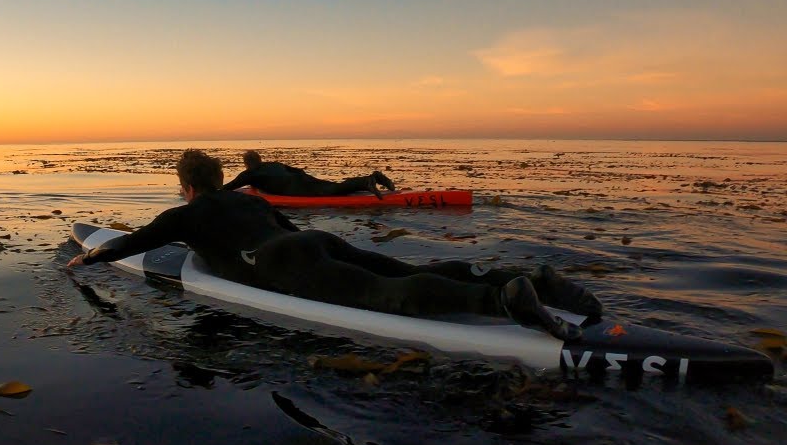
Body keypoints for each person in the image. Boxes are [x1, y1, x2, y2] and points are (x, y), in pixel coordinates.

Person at [68, 149, 601, 340]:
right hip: (314, 241)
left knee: (388, 295)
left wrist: (87, 257)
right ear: (221, 174)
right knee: (395, 269)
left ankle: (501, 302)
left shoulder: (185, 214)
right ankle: (528, 280)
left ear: (186, 185)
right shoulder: (251, 201)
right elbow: (289, 229)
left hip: (281, 263)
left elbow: (129, 244)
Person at [221, 150, 397, 199]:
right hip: (301, 178)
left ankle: (368, 182)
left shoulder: (249, 174)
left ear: (247, 164)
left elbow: (228, 188)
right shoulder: (272, 164)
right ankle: (372, 177)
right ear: (259, 159)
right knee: (333, 187)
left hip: (296, 188)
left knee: (332, 192)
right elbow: (296, 170)